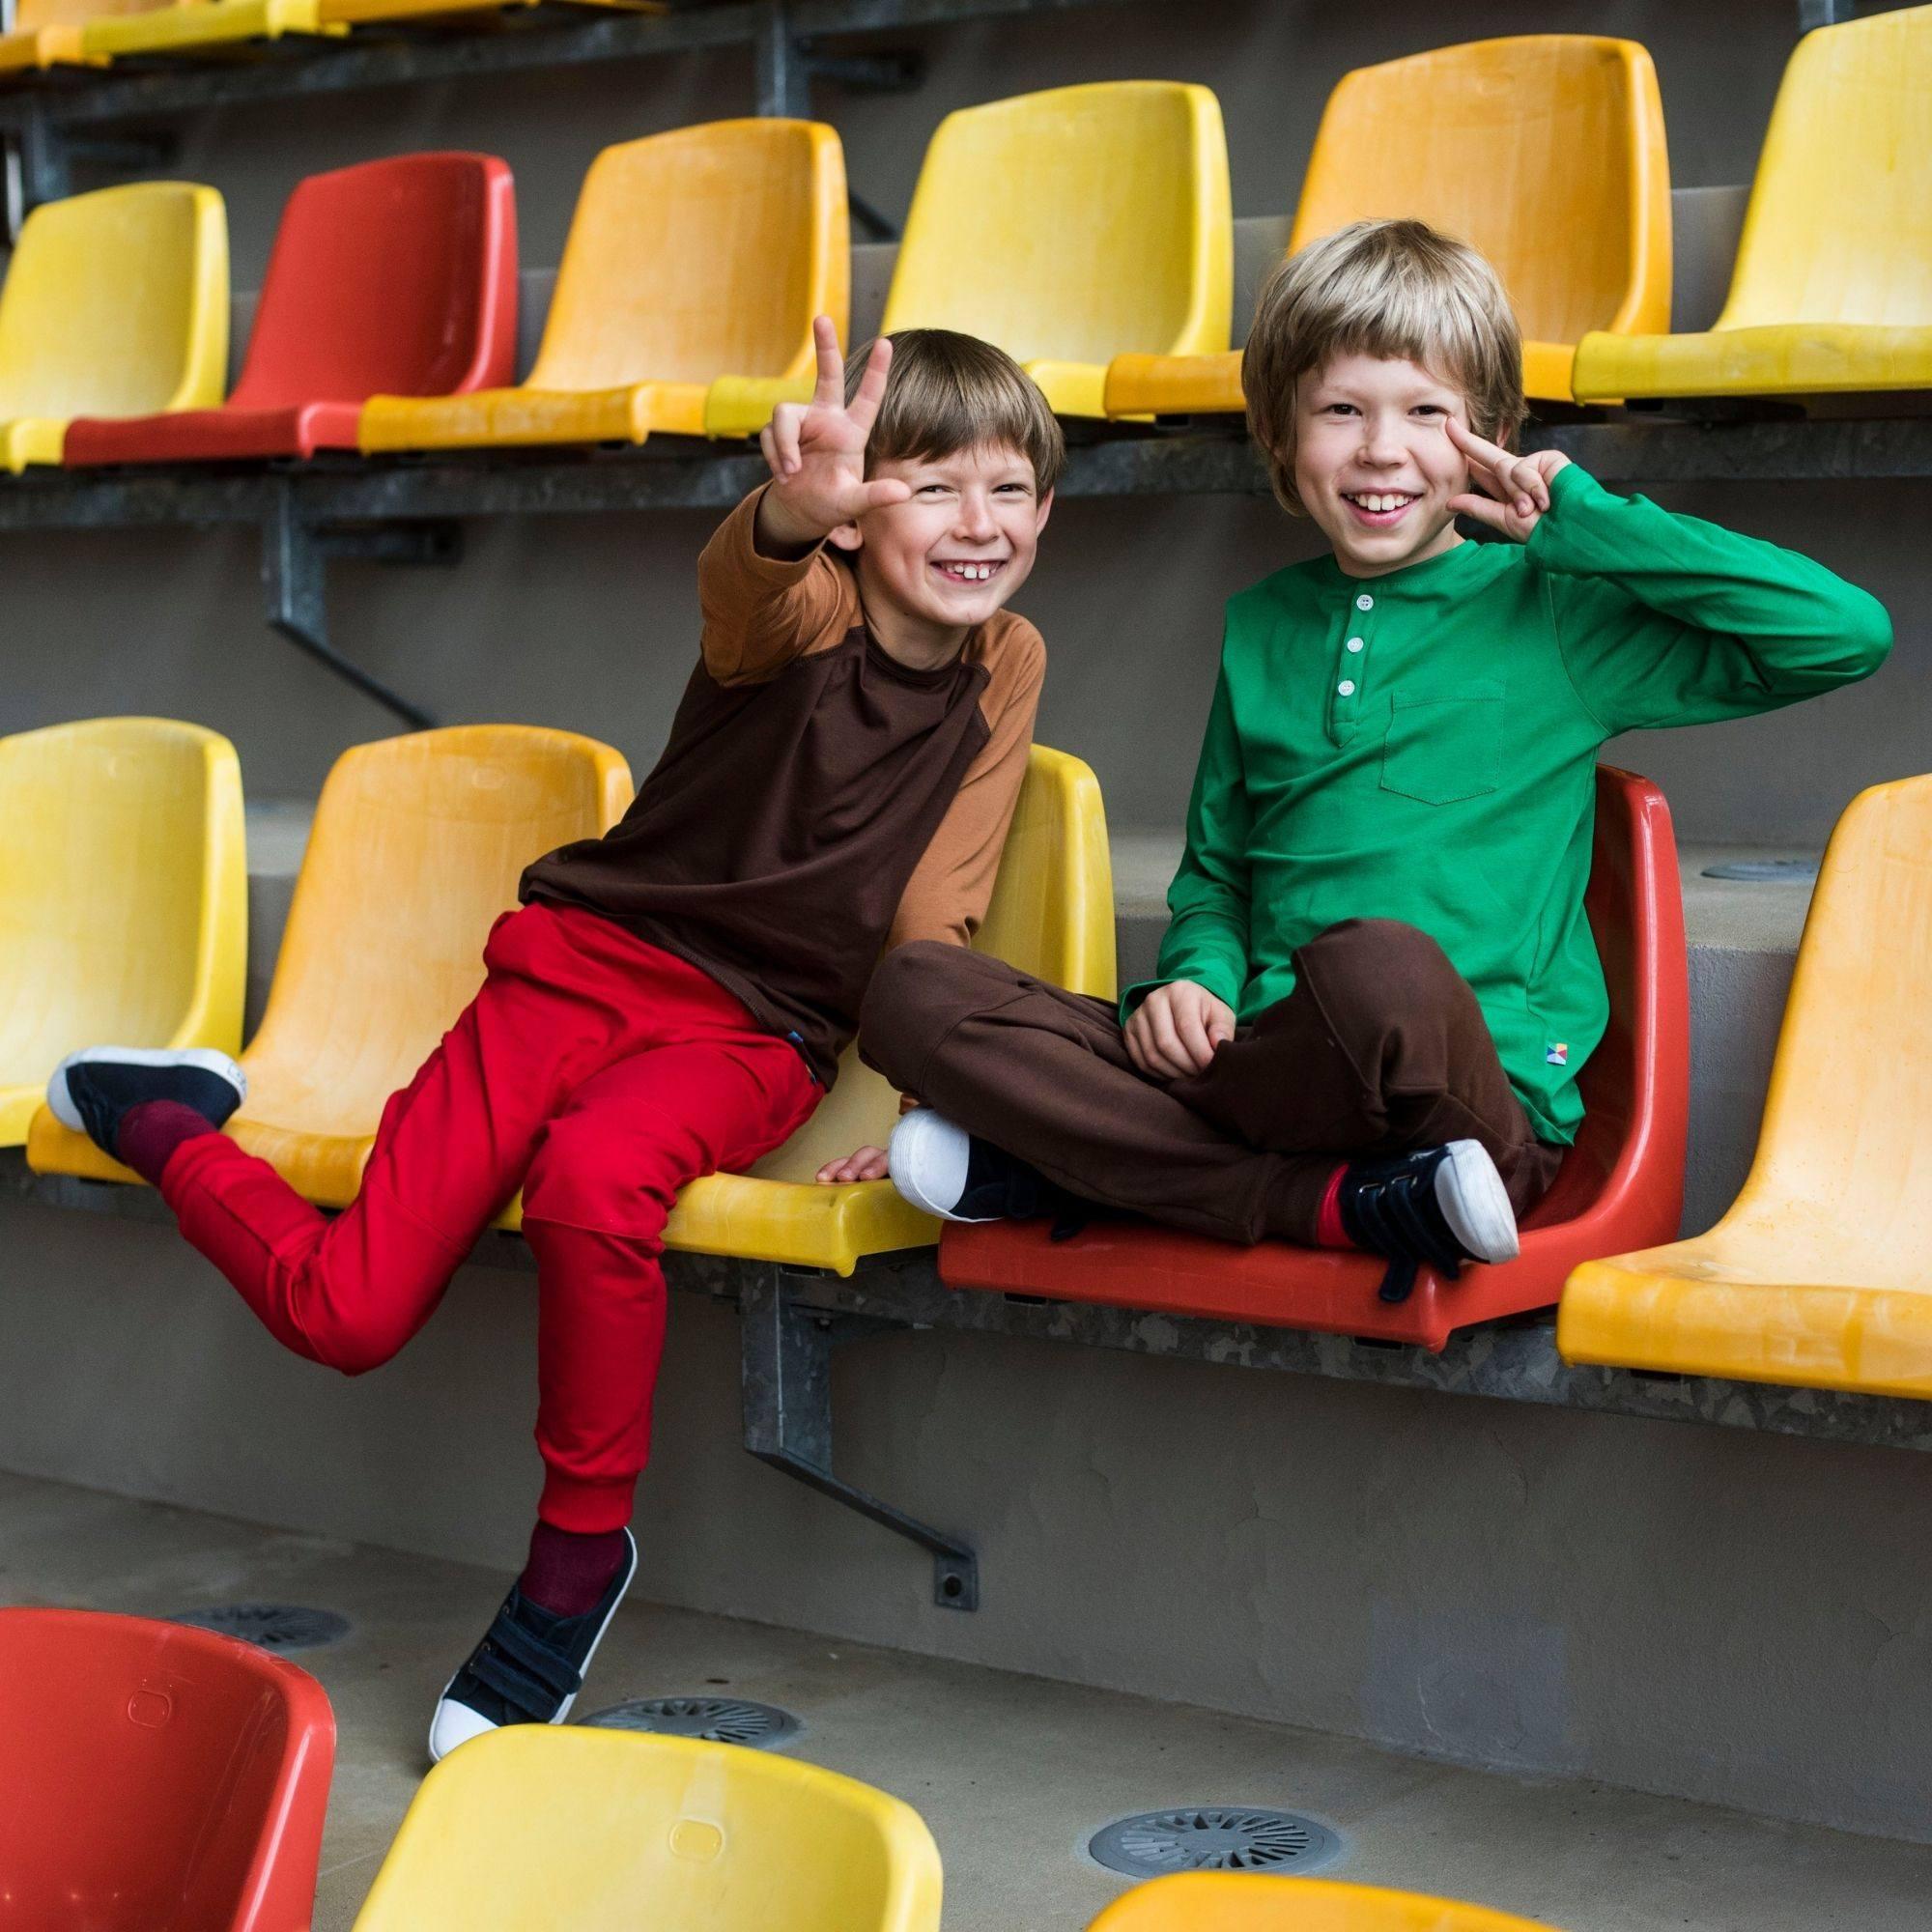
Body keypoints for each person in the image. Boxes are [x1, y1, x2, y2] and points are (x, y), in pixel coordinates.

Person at [46, 318, 1061, 1759]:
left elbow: (936, 913)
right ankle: (162, 1121)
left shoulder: (1007, 663)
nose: (980, 524)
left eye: (1012, 491)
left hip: (754, 1033)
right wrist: (787, 515)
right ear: (855, 512)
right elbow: (744, 593)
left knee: (597, 1182)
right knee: (343, 1312)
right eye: (934, 486)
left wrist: (903, 1105)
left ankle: (577, 1558)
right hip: (580, 968)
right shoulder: (808, 611)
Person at [860, 217, 1892, 1304]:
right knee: (914, 992)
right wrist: (1194, 979)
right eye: (1340, 410)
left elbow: (1837, 631)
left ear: (1486, 433)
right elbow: (1218, 874)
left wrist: (1577, 518)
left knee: (1376, 967)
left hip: (1461, 1113)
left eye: (1425, 414)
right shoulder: (1262, 624)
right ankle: (1330, 1203)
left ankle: (1096, 1165)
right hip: (1261, 1069)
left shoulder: (1551, 612)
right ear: (1279, 435)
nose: (1379, 449)